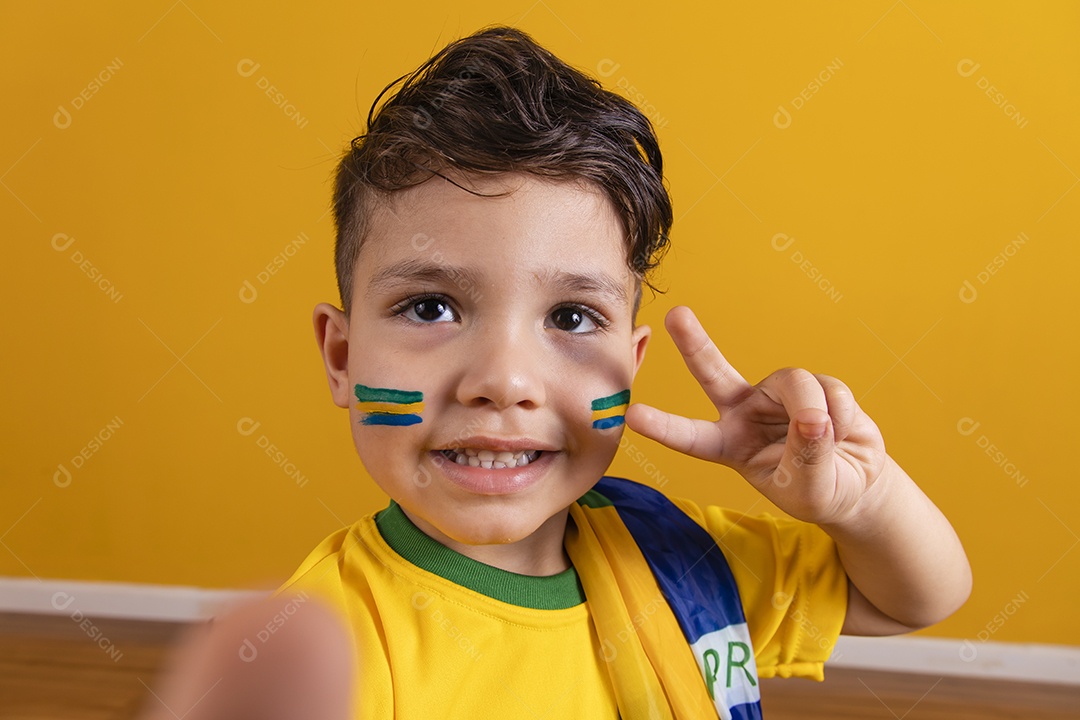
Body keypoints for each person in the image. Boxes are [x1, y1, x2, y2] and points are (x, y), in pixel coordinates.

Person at [139, 24, 971, 720]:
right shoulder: (345, 643)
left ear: (631, 365)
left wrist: (864, 503)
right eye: (431, 307)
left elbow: (914, 601)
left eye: (572, 318)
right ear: (344, 356)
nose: (503, 381)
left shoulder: (677, 558)